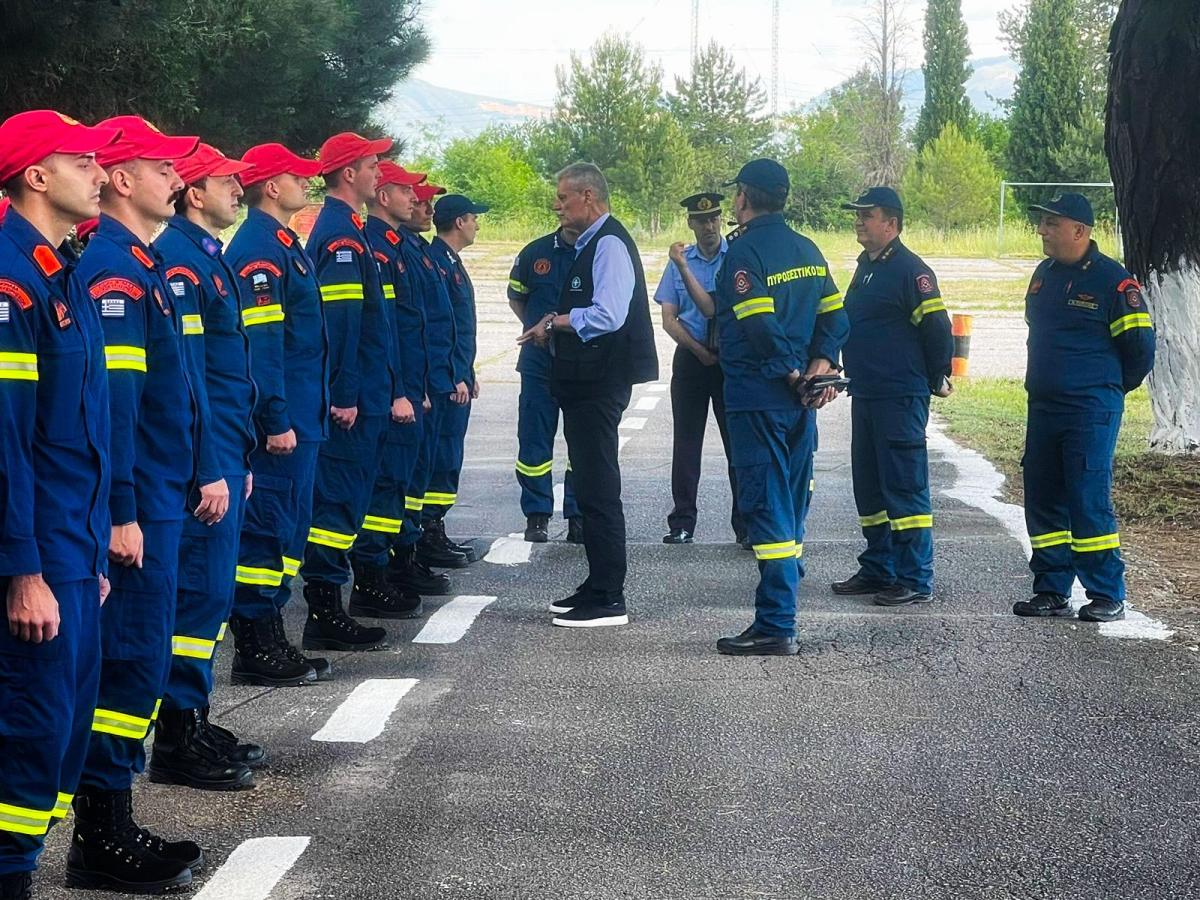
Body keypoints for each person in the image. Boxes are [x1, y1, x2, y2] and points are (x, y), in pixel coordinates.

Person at [72, 115, 203, 893]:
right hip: (137, 502)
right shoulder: (115, 271)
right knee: (125, 663)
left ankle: (112, 820)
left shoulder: (141, 264)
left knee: (141, 660)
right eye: (161, 168)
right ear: (122, 179)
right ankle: (101, 835)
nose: (175, 182)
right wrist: (123, 509)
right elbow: (115, 406)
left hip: (157, 493)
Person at [0, 109, 116, 900]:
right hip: (38, 553)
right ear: (36, 175)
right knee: (27, 737)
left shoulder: (57, 269)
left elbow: (82, 433)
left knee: (61, 739)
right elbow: (5, 441)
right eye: (82, 161)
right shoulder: (11, 279)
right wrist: (22, 572)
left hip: (74, 549)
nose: (99, 174)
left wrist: (95, 548)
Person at [148, 143, 261, 792]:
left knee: (207, 598)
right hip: (204, 457)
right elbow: (185, 383)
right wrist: (212, 462)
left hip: (221, 448)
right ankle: (177, 733)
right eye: (228, 183)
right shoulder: (182, 263)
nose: (238, 191)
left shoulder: (204, 257)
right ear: (195, 194)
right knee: (194, 600)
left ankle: (192, 718)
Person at [707, 158, 849, 656]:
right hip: (799, 405)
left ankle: (775, 623)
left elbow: (758, 325)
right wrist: (820, 364)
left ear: (744, 196)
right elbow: (834, 312)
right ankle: (783, 594)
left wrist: (794, 372)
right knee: (790, 503)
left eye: (736, 195)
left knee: (766, 506)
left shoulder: (744, 254)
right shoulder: (807, 249)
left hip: (760, 397)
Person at [518, 162, 658, 628]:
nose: (557, 206)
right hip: (583, 381)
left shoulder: (609, 243)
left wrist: (557, 322)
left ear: (588, 197)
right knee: (592, 485)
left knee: (598, 489)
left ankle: (609, 597)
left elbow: (609, 314)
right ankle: (597, 583)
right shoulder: (590, 243)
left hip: (600, 381)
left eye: (563, 197)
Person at [1013, 193, 1155, 623]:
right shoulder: (1043, 275)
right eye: (1042, 223)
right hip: (1045, 406)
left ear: (1080, 230)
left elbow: (1140, 349)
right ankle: (1052, 588)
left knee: (1087, 497)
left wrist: (1106, 390)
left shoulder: (1115, 282)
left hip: (1090, 409)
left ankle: (1107, 592)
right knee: (1043, 496)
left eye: (1051, 224)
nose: (1042, 230)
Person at [225, 143, 332, 685]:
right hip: (284, 420)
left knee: (287, 530)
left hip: (303, 414)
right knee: (266, 531)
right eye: (297, 176)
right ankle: (255, 639)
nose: (306, 184)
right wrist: (274, 417)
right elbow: (262, 345)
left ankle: (270, 633)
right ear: (271, 186)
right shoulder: (260, 251)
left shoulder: (284, 244)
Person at [299, 131, 406, 651]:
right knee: (337, 503)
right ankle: (324, 610)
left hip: (365, 393)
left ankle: (333, 603)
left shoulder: (353, 230)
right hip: (352, 399)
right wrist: (344, 393)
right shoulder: (340, 237)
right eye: (370, 165)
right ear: (348, 174)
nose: (379, 173)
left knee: (350, 500)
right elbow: (339, 325)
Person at [832, 187, 953, 607]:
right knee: (870, 487)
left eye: (868, 215)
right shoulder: (867, 266)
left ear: (892, 223)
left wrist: (936, 375)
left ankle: (915, 576)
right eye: (858, 214)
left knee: (904, 487)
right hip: (867, 392)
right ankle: (879, 567)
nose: (859, 221)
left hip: (900, 395)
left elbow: (937, 327)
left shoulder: (910, 270)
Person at [351, 159, 428, 614]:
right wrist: (400, 387)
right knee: (384, 486)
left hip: (408, 384)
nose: (415, 201)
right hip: (391, 388)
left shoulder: (398, 247)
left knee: (401, 482)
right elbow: (383, 331)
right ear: (383, 198)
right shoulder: (375, 249)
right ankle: (372, 575)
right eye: (406, 192)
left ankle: (396, 562)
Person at [391, 180, 470, 588]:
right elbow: (415, 327)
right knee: (420, 468)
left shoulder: (426, 255)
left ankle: (426, 535)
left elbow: (443, 323)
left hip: (437, 377)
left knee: (435, 464)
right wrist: (438, 377)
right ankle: (413, 546)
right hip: (429, 381)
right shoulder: (415, 253)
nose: (425, 208)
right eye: (418, 200)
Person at [657, 191, 743, 545]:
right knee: (687, 443)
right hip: (692, 357)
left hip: (729, 360)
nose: (709, 226)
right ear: (690, 224)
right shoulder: (681, 260)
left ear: (721, 220)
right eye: (701, 220)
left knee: (737, 443)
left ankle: (746, 524)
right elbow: (668, 318)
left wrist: (716, 355)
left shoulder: (736, 256)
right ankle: (682, 521)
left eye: (714, 219)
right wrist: (697, 350)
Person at [508, 224, 583, 543]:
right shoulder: (535, 252)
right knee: (534, 439)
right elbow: (517, 298)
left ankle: (578, 515)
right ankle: (537, 515)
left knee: (582, 441)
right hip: (538, 361)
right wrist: (537, 328)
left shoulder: (597, 252)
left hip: (581, 362)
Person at [424, 193, 488, 557]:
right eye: (473, 218)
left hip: (457, 375)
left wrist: (468, 369)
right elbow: (438, 328)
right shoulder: (437, 263)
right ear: (460, 222)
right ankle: (429, 529)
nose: (477, 224)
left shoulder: (449, 261)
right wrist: (454, 375)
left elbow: (458, 329)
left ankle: (436, 526)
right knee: (442, 457)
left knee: (449, 456)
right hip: (446, 382)